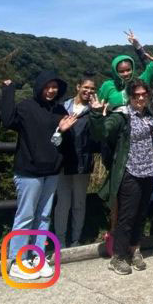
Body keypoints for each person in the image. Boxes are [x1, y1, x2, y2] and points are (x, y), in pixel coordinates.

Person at [89, 80, 153, 275]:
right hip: (129, 172)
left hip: (148, 171)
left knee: (140, 214)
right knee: (127, 216)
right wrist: (95, 114)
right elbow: (102, 132)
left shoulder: (149, 116)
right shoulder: (121, 116)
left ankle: (135, 249)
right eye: (136, 95)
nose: (141, 97)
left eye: (144, 94)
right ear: (130, 96)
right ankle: (117, 256)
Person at [1, 71, 77, 280]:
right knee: (25, 215)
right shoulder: (26, 106)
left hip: (51, 171)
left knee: (43, 216)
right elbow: (8, 121)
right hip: (28, 171)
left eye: (55, 87)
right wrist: (8, 91)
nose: (51, 90)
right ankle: (17, 259)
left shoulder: (59, 109)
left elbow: (57, 141)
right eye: (47, 86)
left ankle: (37, 256)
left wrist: (63, 130)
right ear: (39, 86)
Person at [54, 73, 98, 247]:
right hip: (63, 161)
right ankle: (60, 241)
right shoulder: (63, 107)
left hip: (83, 162)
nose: (88, 91)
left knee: (79, 202)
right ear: (78, 86)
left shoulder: (93, 110)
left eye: (92, 88)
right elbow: (54, 134)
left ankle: (75, 240)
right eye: (85, 87)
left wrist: (98, 114)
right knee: (62, 204)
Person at [98, 29, 153, 108]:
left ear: (132, 69)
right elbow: (98, 106)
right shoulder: (108, 86)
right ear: (115, 72)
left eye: (128, 70)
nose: (126, 73)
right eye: (121, 71)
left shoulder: (139, 83)